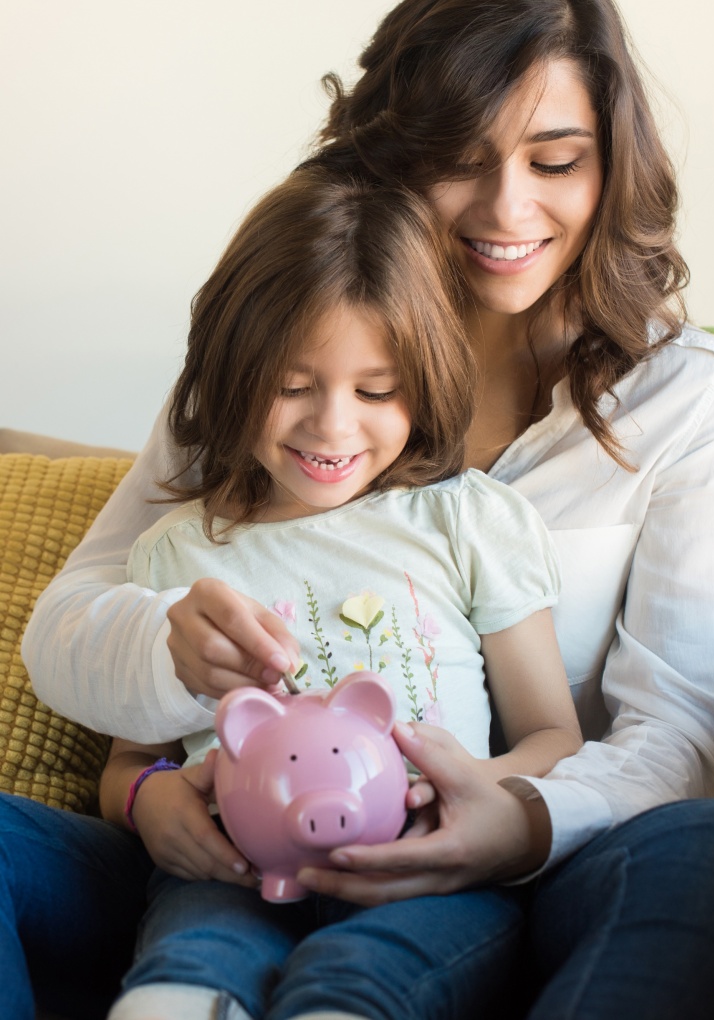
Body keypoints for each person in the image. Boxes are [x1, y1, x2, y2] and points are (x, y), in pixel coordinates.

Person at [17, 0, 714, 1017]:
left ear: (612, 167)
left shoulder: (688, 397)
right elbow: (72, 625)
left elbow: (678, 731)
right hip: (230, 869)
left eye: (555, 162)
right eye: (462, 155)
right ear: (390, 155)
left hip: (540, 874)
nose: (508, 209)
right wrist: (156, 746)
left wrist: (520, 818)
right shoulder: (265, 373)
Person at [96, 160, 582, 1020]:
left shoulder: (467, 521)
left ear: (424, 384)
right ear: (228, 371)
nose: (332, 424)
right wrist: (148, 801)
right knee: (189, 963)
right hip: (232, 875)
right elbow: (131, 763)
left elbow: (553, 733)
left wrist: (479, 789)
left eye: (376, 390)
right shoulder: (178, 553)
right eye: (291, 386)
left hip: (427, 872)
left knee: (362, 982)